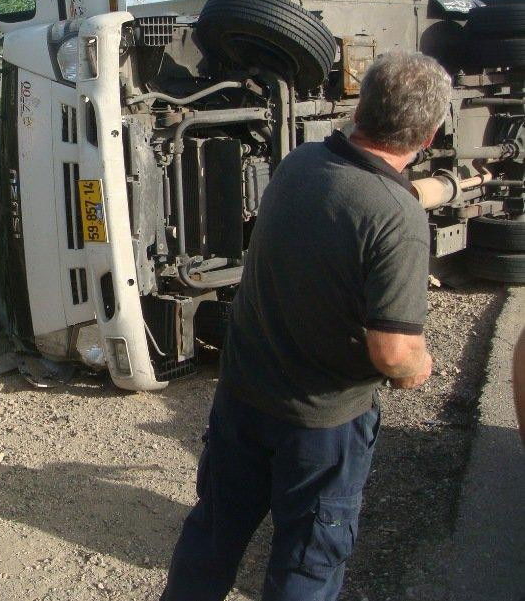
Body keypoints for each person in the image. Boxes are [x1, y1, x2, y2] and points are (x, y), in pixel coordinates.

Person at [160, 51, 451, 601]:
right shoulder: (399, 219)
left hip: (243, 397)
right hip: (321, 426)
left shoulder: (302, 164)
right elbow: (393, 353)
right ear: (430, 134)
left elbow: (345, 210)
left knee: (212, 535)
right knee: (307, 562)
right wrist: (421, 366)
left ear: (361, 106)